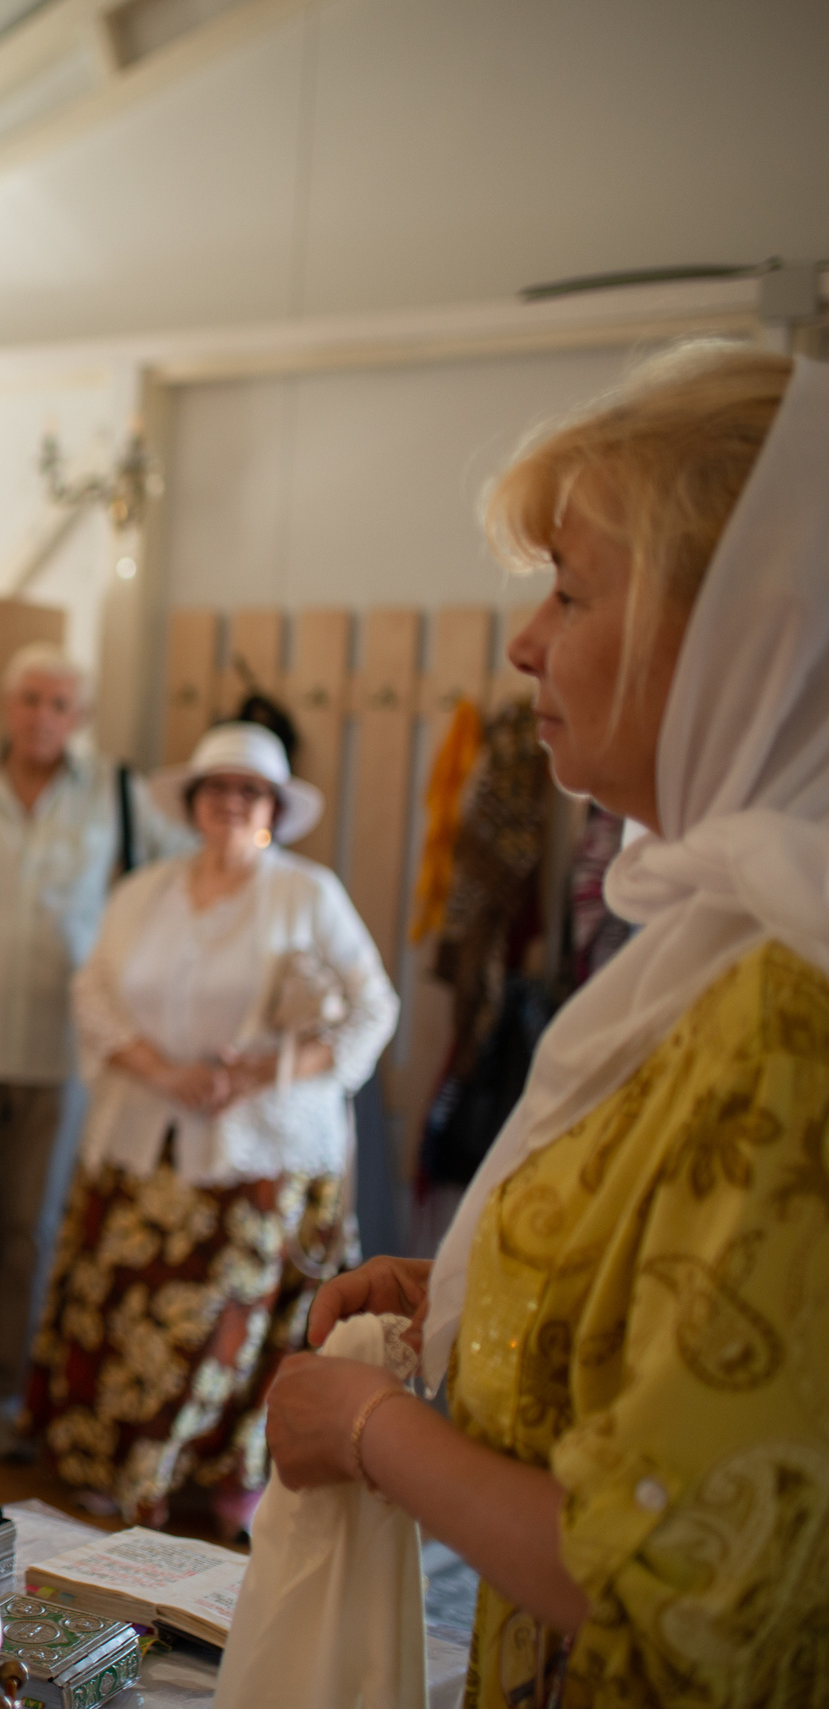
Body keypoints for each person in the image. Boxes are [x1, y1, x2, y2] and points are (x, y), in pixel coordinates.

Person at [270, 343, 829, 1705]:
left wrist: (372, 1428)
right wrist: (488, 1293)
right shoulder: (719, 930)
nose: (524, 641)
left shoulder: (793, 1004)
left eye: (573, 593)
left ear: (739, 636)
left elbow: (678, 1572)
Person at [25, 721, 397, 1533]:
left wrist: (263, 1070)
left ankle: (227, 1483)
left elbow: (374, 1010)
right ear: (193, 802)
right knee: (123, 1315)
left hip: (260, 1155)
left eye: (251, 790)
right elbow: (92, 994)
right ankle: (118, 1477)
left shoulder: (308, 894)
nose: (232, 803)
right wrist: (163, 1070)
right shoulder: (143, 892)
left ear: (272, 807)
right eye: (218, 788)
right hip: (143, 1143)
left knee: (224, 1328)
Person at [0, 643, 193, 1461]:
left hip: (65, 1057)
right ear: (6, 702)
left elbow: (185, 883)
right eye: (29, 699)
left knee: (30, 1234)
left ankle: (7, 1395)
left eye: (60, 703)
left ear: (81, 716)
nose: (42, 717)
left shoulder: (118, 794)